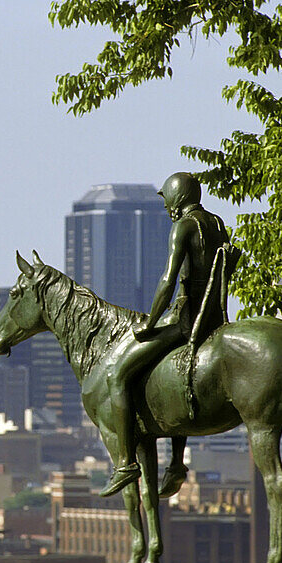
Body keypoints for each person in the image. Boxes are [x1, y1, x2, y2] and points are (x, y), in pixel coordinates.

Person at [99, 172, 233, 497]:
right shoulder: (217, 223)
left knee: (118, 376)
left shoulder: (184, 226)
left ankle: (125, 463)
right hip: (215, 317)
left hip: (186, 320)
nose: (166, 207)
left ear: (176, 197)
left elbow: (168, 280)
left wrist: (150, 322)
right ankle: (175, 463)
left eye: (167, 200)